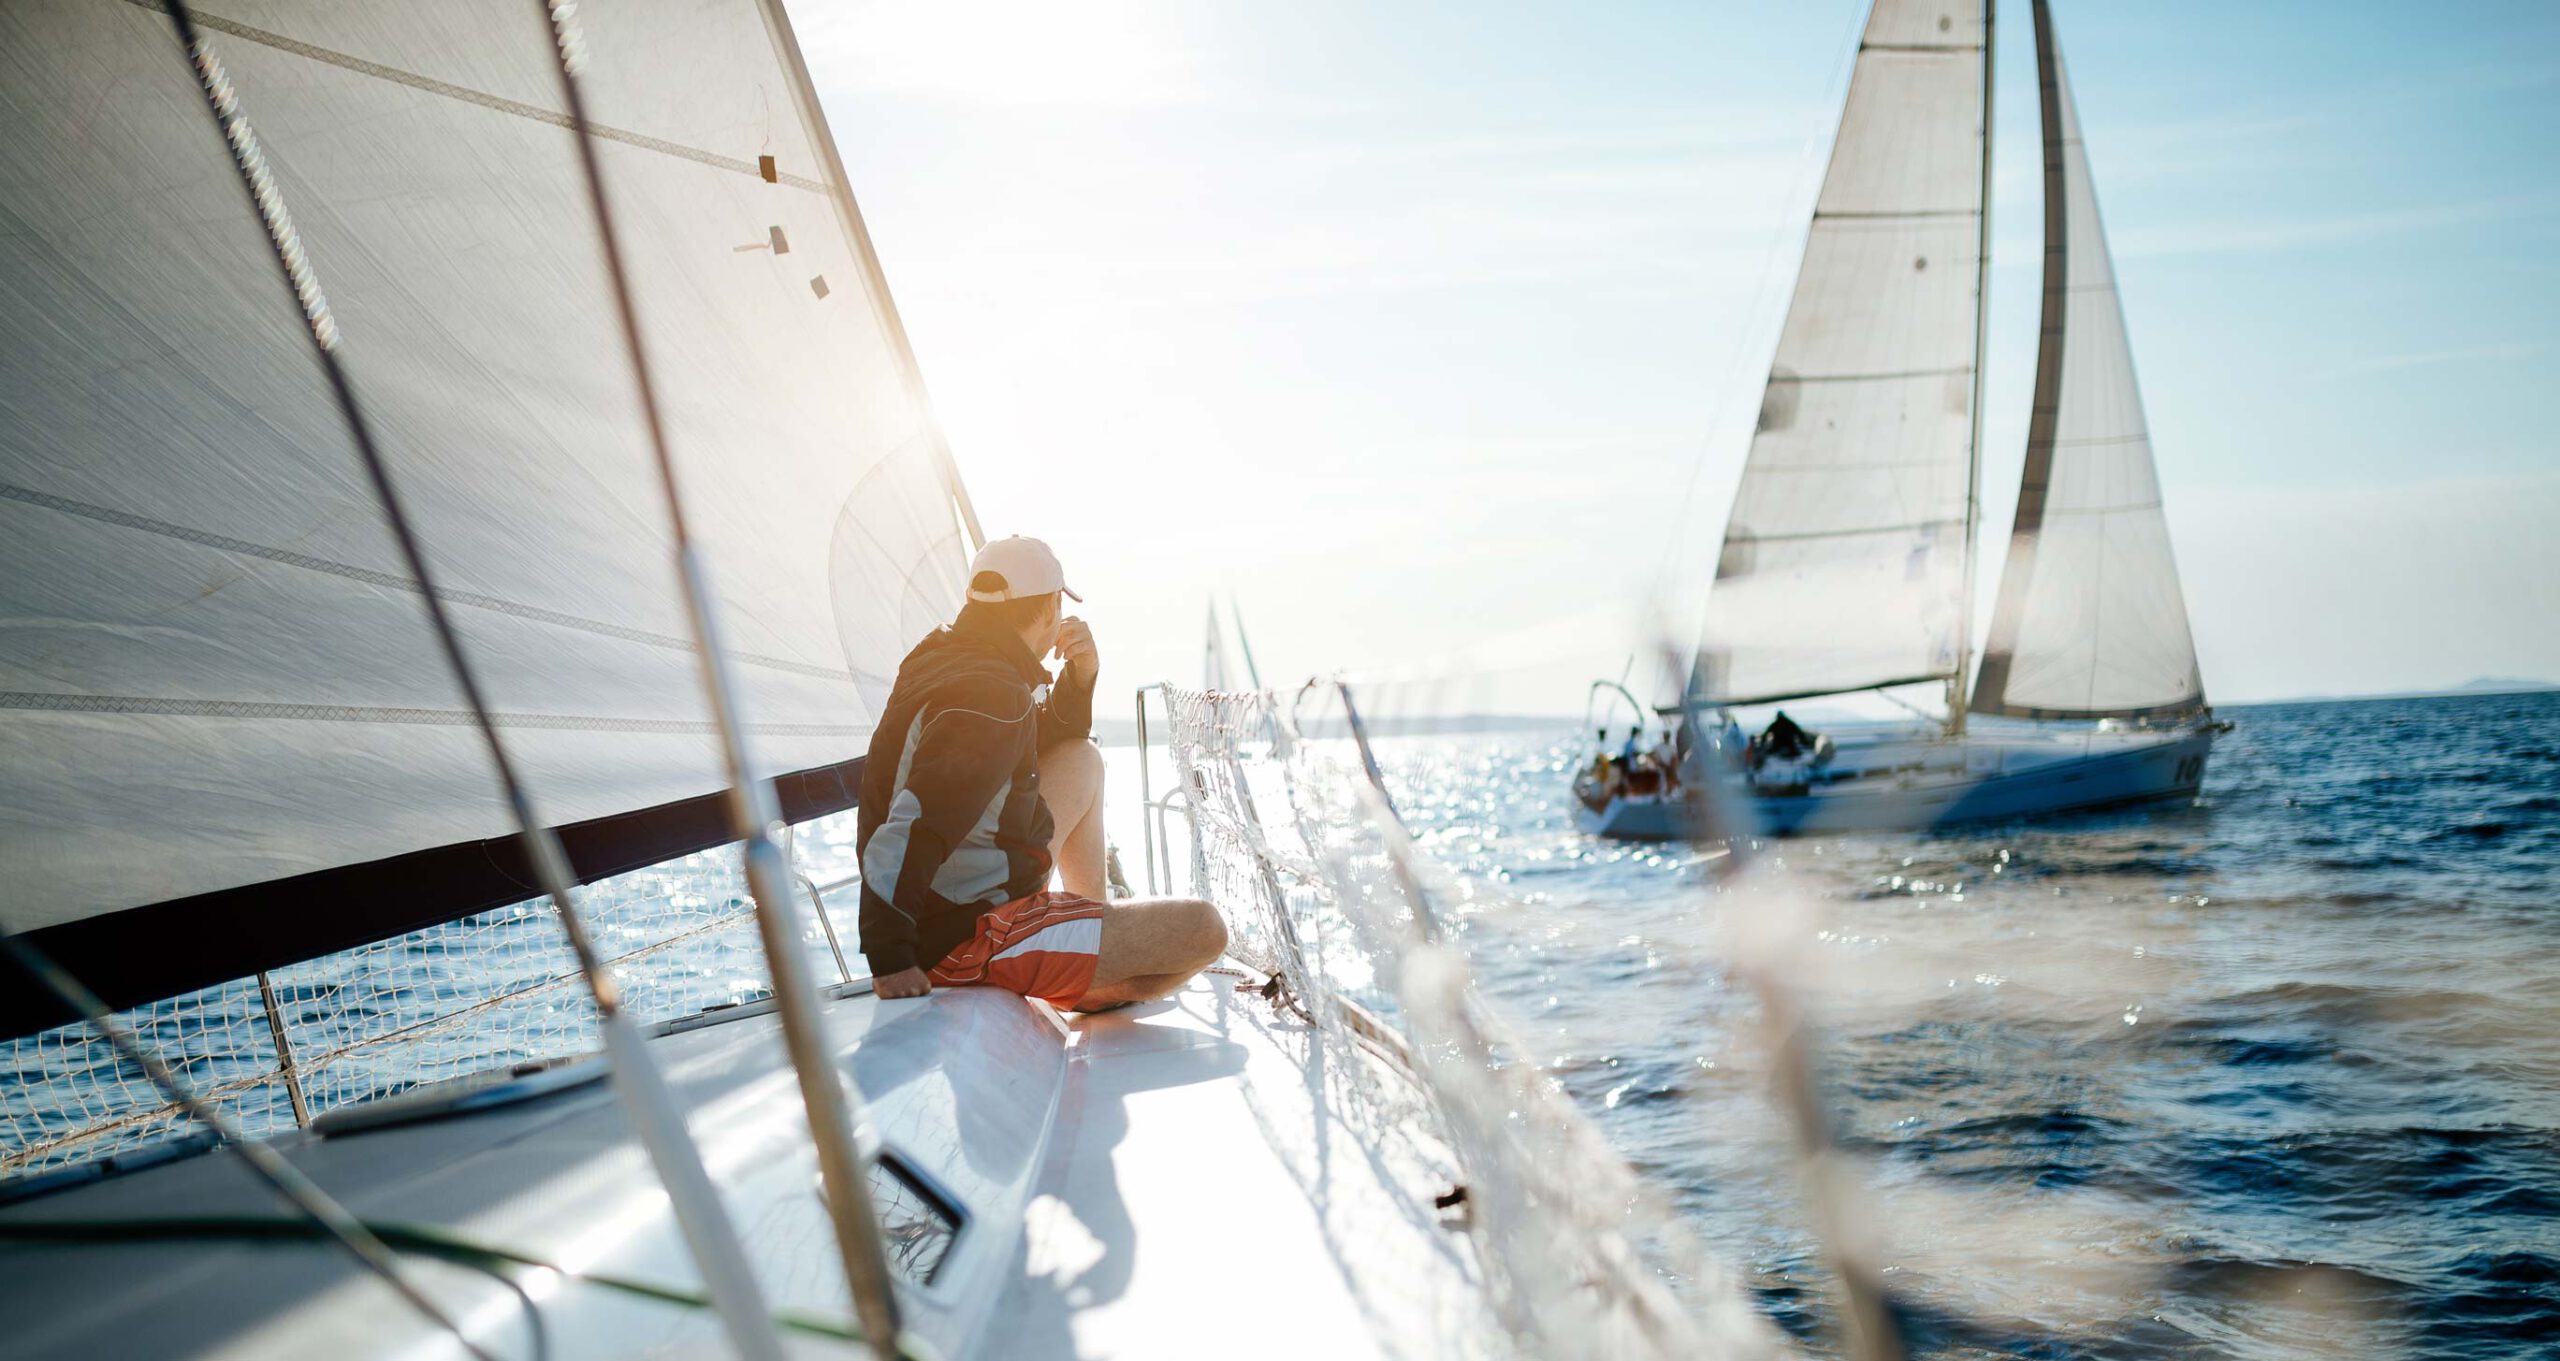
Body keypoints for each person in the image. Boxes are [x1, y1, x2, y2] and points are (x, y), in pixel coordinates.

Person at [857, 536, 1227, 1011]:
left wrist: (1080, 675)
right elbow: (912, 827)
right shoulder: (988, 697)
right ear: (1052, 606)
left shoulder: (954, 657)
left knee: (1080, 758)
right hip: (965, 934)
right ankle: (1088, 979)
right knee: (1203, 929)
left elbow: (1032, 741)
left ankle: (1088, 928)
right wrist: (891, 958)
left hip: (968, 892)